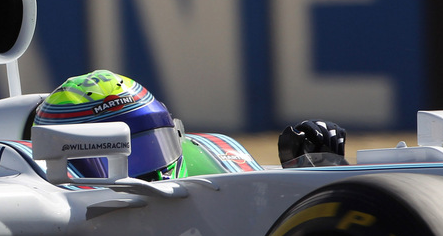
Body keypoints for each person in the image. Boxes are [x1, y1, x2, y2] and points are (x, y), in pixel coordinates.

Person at [31, 70, 345, 179]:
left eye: (153, 142)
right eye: (129, 151)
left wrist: (312, 170)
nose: (158, 173)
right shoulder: (37, 187)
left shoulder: (210, 156)